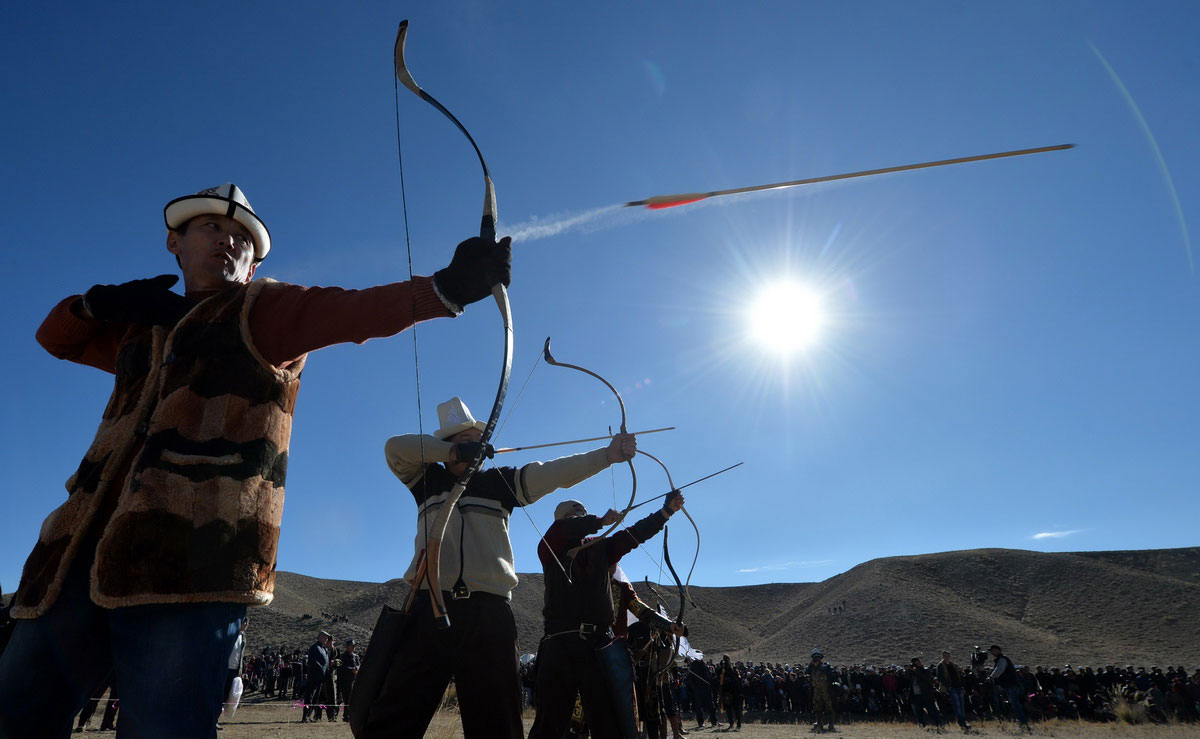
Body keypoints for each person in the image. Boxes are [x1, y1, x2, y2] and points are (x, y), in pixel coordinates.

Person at [0, 182, 511, 739]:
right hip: (70, 557)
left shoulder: (265, 311)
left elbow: (354, 311)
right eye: (211, 228)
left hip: (192, 564)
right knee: (15, 714)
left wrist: (448, 288)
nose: (228, 240)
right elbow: (55, 337)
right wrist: (96, 304)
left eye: (242, 237)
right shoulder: (141, 328)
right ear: (175, 242)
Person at [352, 399, 639, 738]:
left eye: (479, 439)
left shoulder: (500, 483)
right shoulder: (426, 479)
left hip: (488, 614)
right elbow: (394, 448)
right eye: (467, 439)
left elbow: (551, 473)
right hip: (428, 606)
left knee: (497, 724)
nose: (476, 445)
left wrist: (606, 456)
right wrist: (453, 453)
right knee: (392, 720)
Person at [528, 492, 686, 739]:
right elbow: (563, 530)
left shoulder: (601, 547)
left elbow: (633, 535)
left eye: (581, 515)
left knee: (608, 723)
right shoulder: (550, 546)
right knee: (550, 724)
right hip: (560, 642)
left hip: (599, 646)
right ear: (562, 521)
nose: (579, 519)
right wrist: (597, 521)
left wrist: (665, 512)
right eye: (573, 517)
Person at [990, 644, 1030, 731]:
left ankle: (1023, 723)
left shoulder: (1002, 659)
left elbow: (998, 671)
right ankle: (1024, 722)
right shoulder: (1003, 659)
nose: (991, 652)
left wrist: (991, 677)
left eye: (992, 650)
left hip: (1011, 686)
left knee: (1016, 705)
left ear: (997, 650)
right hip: (1014, 685)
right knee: (1019, 704)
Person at [301, 631, 333, 723]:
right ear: (320, 637)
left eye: (327, 638)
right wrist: (321, 670)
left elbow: (326, 664)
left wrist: (326, 674)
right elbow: (313, 661)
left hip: (321, 678)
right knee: (309, 697)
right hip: (314, 676)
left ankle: (309, 716)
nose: (326, 639)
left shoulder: (324, 649)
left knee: (316, 698)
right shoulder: (314, 648)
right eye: (325, 637)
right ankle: (304, 716)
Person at [937, 650, 971, 733]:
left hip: (959, 687)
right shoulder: (940, 666)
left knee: (962, 706)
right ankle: (962, 724)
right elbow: (941, 677)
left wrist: (962, 685)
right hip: (951, 688)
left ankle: (963, 723)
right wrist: (948, 686)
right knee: (957, 706)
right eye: (944, 656)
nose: (946, 657)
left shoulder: (953, 665)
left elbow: (959, 675)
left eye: (947, 655)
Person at [907, 657, 943, 729]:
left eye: (917, 662)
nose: (915, 664)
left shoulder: (926, 670)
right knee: (918, 712)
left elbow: (926, 679)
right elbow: (907, 677)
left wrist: (917, 670)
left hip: (926, 694)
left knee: (932, 710)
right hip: (916, 695)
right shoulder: (912, 672)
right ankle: (921, 725)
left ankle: (939, 723)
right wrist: (909, 670)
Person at [806, 650, 836, 733]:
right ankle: (819, 723)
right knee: (817, 707)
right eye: (815, 659)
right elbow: (807, 671)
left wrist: (818, 666)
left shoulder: (826, 666)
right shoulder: (812, 667)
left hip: (826, 690)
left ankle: (831, 724)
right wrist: (811, 665)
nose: (816, 661)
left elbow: (829, 672)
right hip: (816, 690)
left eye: (817, 659)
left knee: (829, 707)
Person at [335, 639, 360, 723]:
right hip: (345, 681)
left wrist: (356, 668)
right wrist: (351, 670)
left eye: (353, 646)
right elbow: (340, 668)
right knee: (346, 699)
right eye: (351, 646)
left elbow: (358, 665)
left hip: (353, 680)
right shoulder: (342, 656)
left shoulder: (356, 656)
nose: (353, 648)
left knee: (352, 699)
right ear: (347, 646)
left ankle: (349, 715)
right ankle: (345, 716)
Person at [716, 655, 743, 731]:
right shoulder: (721, 669)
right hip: (725, 691)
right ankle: (731, 723)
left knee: (736, 708)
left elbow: (738, 679)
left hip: (733, 691)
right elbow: (718, 677)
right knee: (728, 708)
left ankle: (738, 724)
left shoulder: (733, 669)